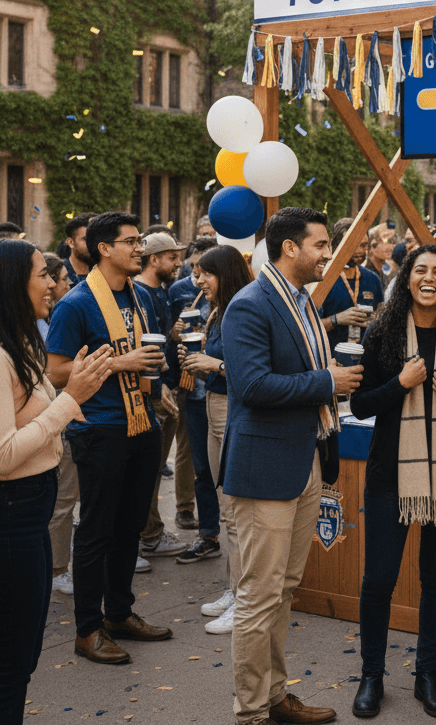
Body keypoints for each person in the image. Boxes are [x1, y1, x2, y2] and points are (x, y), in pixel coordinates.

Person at [221, 207, 361, 725]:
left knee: (282, 589)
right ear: (289, 248)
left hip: (304, 460)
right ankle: (251, 713)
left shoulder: (301, 300)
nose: (328, 253)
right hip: (264, 468)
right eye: (321, 244)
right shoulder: (249, 304)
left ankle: (276, 697)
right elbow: (252, 386)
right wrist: (328, 382)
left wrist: (328, 376)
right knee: (259, 597)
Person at [350, 244, 436, 718]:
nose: (429, 278)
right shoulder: (382, 332)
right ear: (407, 277)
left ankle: (426, 675)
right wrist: (401, 383)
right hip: (390, 474)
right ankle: (371, 676)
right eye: (420, 270)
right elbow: (360, 405)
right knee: (378, 580)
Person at [45, 211, 170, 665]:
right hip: (99, 429)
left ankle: (118, 614)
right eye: (131, 241)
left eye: (140, 241)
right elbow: (55, 371)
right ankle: (87, 630)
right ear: (104, 249)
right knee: (96, 532)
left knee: (129, 527)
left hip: (142, 423)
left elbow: (145, 352)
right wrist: (120, 363)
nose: (140, 249)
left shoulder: (140, 296)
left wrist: (156, 368)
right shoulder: (76, 304)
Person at [1, 239, 113, 723]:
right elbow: (4, 455)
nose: (53, 282)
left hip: (31, 507)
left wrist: (73, 389)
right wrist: (71, 400)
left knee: (23, 653)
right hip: (13, 510)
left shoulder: (22, 341)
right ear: (13, 283)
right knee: (12, 660)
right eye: (42, 274)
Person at [178, 244, 254, 633]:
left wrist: (214, 363)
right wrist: (195, 361)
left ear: (224, 274)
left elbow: (253, 372)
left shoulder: (243, 309)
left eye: (205, 273)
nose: (198, 281)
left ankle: (244, 600)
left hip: (231, 411)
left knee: (236, 511)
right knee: (226, 507)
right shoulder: (217, 311)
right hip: (213, 407)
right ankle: (233, 587)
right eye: (196, 273)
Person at [133, 233, 193, 556]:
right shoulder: (140, 293)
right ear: (153, 259)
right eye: (172, 257)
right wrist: (158, 388)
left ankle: (150, 530)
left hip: (167, 386)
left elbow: (160, 338)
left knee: (154, 467)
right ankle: (150, 535)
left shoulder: (161, 291)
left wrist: (174, 333)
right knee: (149, 467)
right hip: (155, 391)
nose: (178, 263)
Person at [41, 252, 79, 596]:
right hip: (56, 417)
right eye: (58, 277)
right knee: (63, 497)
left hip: (57, 415)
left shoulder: (48, 318)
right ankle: (56, 568)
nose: (62, 284)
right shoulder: (42, 324)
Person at [318, 217, 384, 350]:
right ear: (336, 245)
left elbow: (383, 317)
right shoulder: (321, 279)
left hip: (365, 357)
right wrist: (336, 319)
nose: (359, 250)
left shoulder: (373, 278)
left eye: (363, 245)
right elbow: (306, 329)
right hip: (331, 358)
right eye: (353, 245)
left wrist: (375, 320)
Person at [63, 211, 97, 287]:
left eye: (96, 239)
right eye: (86, 239)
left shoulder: (105, 274)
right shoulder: (59, 275)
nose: (92, 244)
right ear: (71, 242)